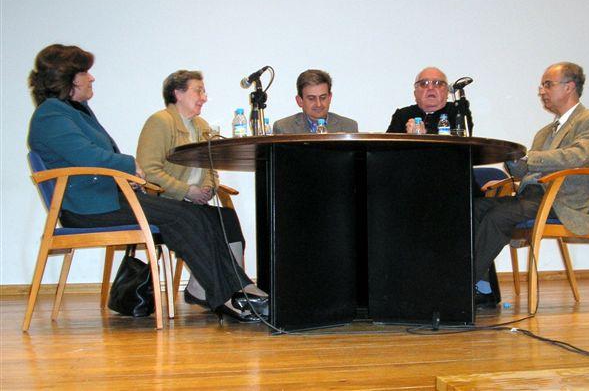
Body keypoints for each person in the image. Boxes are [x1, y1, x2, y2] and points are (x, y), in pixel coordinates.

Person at [27, 44, 267, 323]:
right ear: (68, 77)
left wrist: (129, 175)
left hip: (107, 198)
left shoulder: (74, 111)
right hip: (87, 208)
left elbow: (100, 156)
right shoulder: (51, 114)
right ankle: (225, 296)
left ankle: (234, 289)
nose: (91, 78)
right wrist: (132, 166)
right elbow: (88, 156)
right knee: (184, 216)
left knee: (202, 216)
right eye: (85, 72)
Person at [474, 62, 589, 305]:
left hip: (562, 200)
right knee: (473, 208)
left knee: (498, 216)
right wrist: (513, 165)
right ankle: (480, 288)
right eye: (542, 86)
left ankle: (459, 288)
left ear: (569, 87)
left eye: (548, 84)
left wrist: (529, 159)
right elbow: (528, 168)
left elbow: (579, 155)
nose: (542, 91)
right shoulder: (545, 132)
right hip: (533, 197)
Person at [136, 70, 266, 309]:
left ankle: (229, 286)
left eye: (203, 91)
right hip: (167, 202)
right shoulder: (161, 121)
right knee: (205, 220)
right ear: (178, 93)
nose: (204, 97)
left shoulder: (201, 125)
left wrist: (208, 187)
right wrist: (186, 191)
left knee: (226, 218)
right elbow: (148, 170)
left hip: (194, 202)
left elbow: (212, 166)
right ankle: (229, 287)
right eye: (198, 90)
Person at [386, 66, 473, 135]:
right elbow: (386, 149)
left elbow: (462, 146)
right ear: (415, 93)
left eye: (438, 83)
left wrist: (425, 134)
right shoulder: (402, 115)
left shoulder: (457, 111)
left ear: (447, 91)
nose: (431, 88)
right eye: (424, 84)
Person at [273, 69, 358, 134]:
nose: (318, 104)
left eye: (323, 97)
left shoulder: (349, 127)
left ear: (330, 97)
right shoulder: (284, 128)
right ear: (299, 101)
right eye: (311, 98)